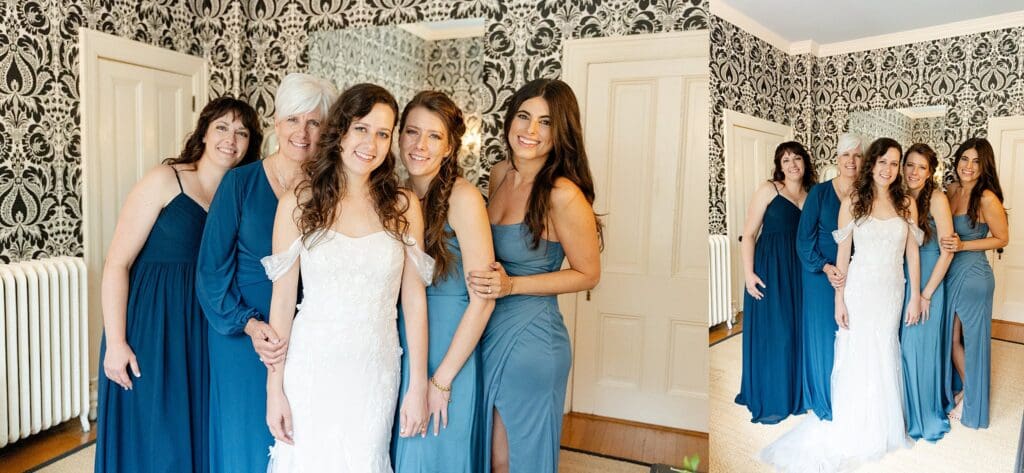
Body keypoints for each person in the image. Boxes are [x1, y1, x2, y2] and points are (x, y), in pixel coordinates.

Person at [261, 83, 432, 471]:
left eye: (383, 133)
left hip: (375, 370)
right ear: (340, 130)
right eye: (361, 128)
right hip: (310, 366)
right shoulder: (299, 202)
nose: (370, 143)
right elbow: (283, 303)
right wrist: (274, 388)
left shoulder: (403, 206)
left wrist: (418, 385)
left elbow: (414, 302)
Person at [95, 97, 262, 473]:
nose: (230, 140)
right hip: (150, 323)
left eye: (242, 133)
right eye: (222, 127)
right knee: (152, 429)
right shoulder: (164, 179)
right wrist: (117, 342)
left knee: (191, 426)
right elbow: (116, 264)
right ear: (203, 131)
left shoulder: (239, 192)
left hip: (203, 324)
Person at [196, 73, 337, 472]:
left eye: (314, 122)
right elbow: (211, 272)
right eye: (294, 119)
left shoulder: (331, 190)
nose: (303, 132)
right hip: (242, 334)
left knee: (299, 437)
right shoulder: (239, 183)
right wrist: (251, 325)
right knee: (246, 437)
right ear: (277, 122)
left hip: (309, 331)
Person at [467, 79, 602, 473]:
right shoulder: (498, 174)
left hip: (532, 340)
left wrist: (512, 285)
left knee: (513, 458)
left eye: (545, 122)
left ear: (561, 132)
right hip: (486, 329)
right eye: (524, 116)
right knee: (490, 453)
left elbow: (588, 274)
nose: (530, 131)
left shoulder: (563, 194)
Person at [761, 138, 921, 471]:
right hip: (859, 289)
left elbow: (913, 254)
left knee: (885, 350)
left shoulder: (906, 203)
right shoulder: (853, 201)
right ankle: (854, 421)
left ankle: (882, 422)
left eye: (895, 163)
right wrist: (839, 298)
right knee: (857, 351)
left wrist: (916, 296)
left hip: (891, 291)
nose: (888, 169)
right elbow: (843, 254)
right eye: (882, 162)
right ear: (871, 164)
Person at [390, 91, 496, 472]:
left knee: (433, 455)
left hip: (450, 348)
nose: (420, 145)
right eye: (412, 132)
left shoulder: (463, 198)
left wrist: (442, 380)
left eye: (434, 136)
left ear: (450, 146)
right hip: (402, 343)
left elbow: (483, 299)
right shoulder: (393, 195)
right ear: (399, 136)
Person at [735, 141, 815, 424]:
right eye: (785, 160)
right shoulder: (768, 189)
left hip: (800, 271)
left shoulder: (813, 195)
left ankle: (796, 390)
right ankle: (772, 394)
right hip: (769, 268)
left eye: (796, 159)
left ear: (805, 162)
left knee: (796, 331)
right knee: (776, 333)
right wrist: (748, 273)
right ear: (779, 166)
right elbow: (749, 233)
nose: (792, 164)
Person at [795, 132, 864, 420]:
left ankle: (850, 394)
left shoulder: (869, 194)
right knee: (825, 335)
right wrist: (825, 267)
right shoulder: (819, 193)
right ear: (837, 158)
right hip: (820, 275)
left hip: (857, 272)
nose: (852, 160)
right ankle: (824, 397)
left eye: (858, 155)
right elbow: (803, 239)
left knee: (852, 334)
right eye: (847, 154)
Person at [942, 137, 1009, 429]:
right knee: (952, 338)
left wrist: (962, 246)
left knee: (974, 340)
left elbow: (1002, 238)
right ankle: (967, 387)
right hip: (951, 273)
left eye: (976, 161)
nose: (968, 166)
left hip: (974, 277)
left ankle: (973, 402)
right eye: (964, 159)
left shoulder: (986, 198)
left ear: (985, 166)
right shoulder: (952, 189)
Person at [900, 143, 955, 441]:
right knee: (903, 347)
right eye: (910, 164)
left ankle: (923, 413)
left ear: (930, 171)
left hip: (930, 279)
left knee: (918, 347)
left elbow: (947, 251)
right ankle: (904, 408)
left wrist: (926, 295)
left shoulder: (936, 198)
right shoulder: (899, 195)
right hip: (904, 278)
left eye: (921, 167)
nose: (914, 172)